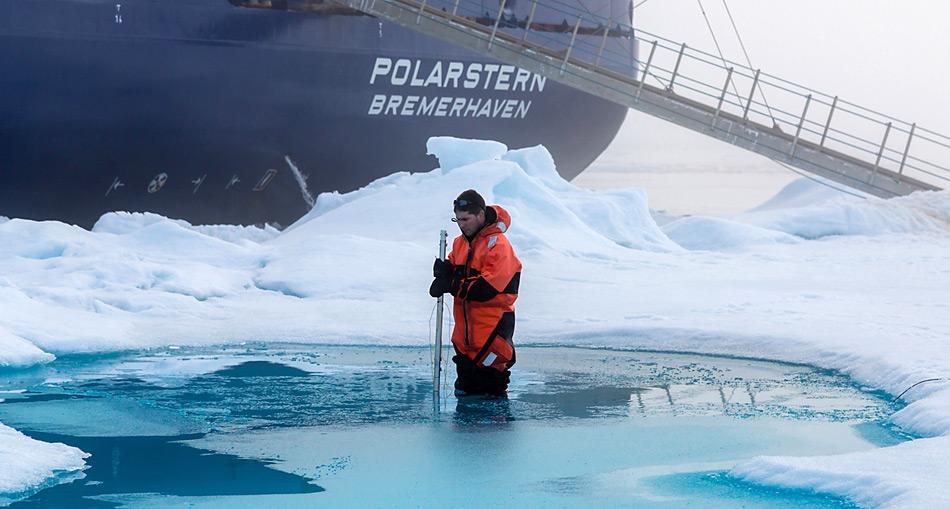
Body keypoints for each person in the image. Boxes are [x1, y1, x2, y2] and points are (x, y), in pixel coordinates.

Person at [429, 190, 522, 397]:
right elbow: (455, 269)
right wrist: (445, 270)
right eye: (458, 219)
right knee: (464, 394)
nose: (462, 225)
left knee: (488, 398)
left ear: (480, 215)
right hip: (465, 341)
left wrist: (451, 283)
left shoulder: (498, 245)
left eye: (466, 219)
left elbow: (486, 289)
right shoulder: (459, 243)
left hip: (491, 335)